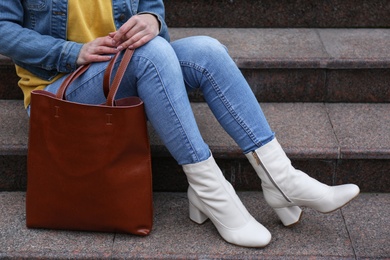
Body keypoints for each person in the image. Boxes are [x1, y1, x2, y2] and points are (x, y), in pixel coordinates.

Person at [0, 1, 359, 248]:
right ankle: (211, 192)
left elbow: (151, 11)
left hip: (120, 70)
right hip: (59, 90)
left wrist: (152, 22)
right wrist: (71, 51)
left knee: (207, 51)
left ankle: (281, 177)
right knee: (152, 53)